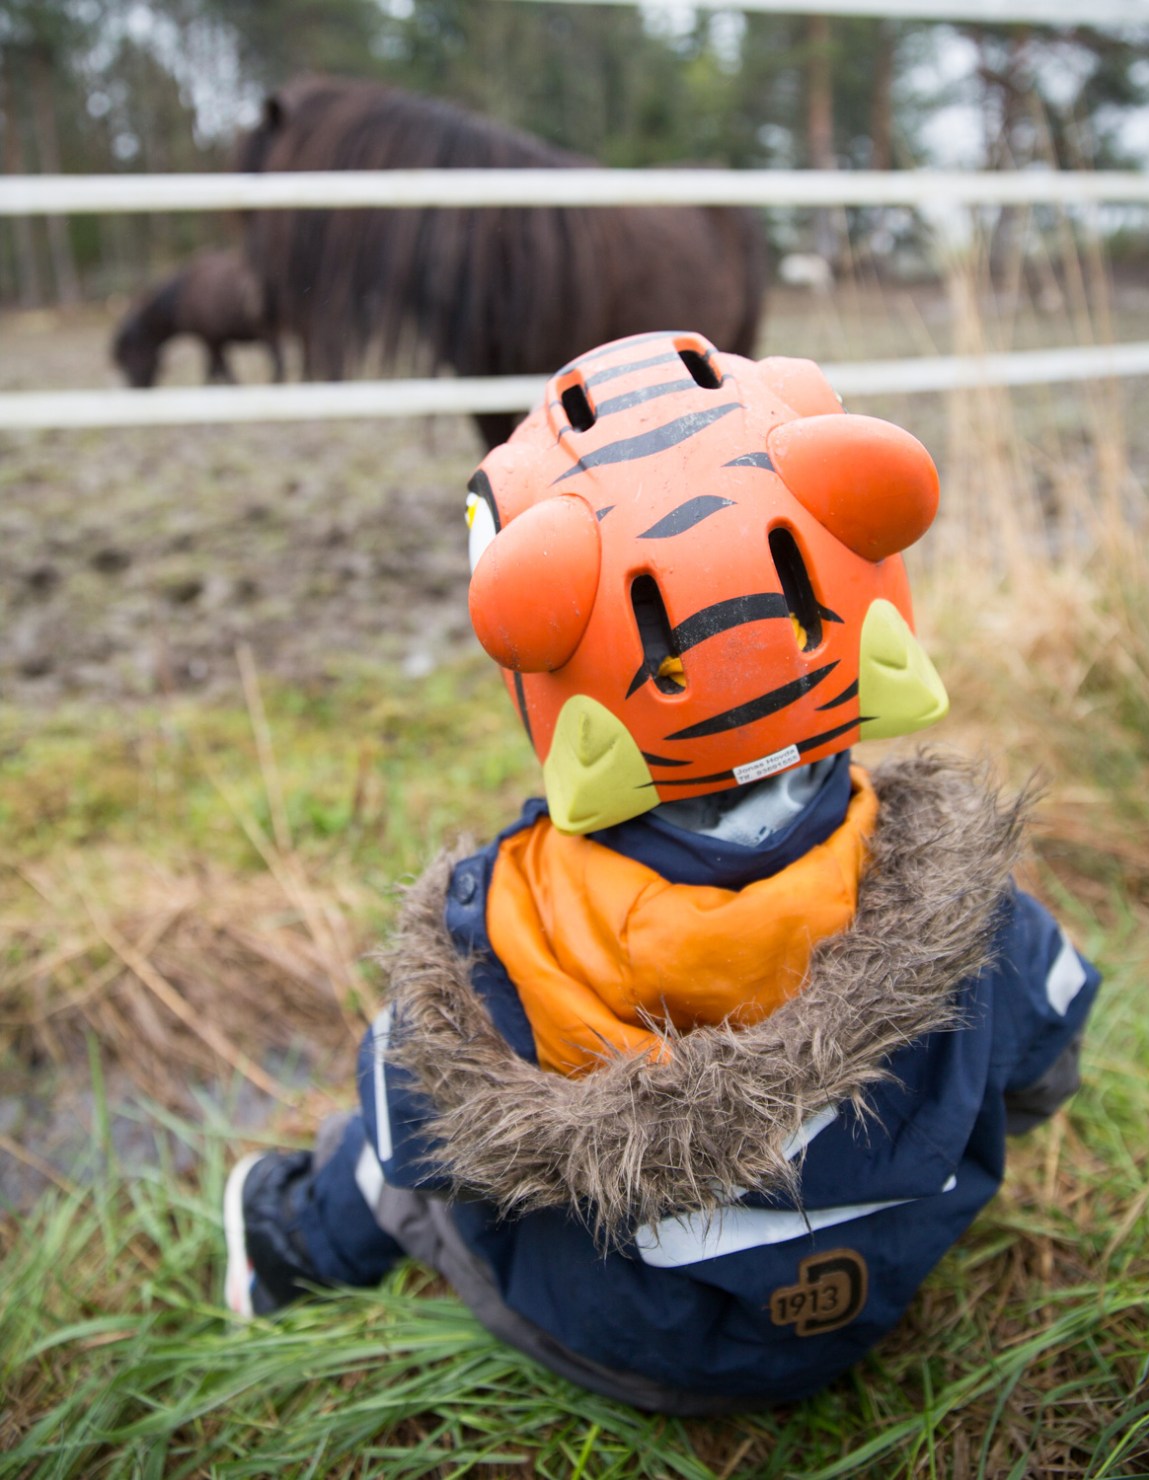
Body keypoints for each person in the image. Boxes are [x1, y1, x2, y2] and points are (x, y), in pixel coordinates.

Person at [223, 331, 1099, 1414]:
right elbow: (1041, 1076)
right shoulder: (958, 887)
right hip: (868, 1309)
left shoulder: (508, 929)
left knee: (412, 1117)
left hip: (617, 1338)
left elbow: (412, 1143)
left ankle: (280, 1245)